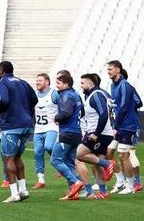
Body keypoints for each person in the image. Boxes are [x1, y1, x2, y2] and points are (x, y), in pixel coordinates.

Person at [0, 60, 37, 203]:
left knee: (8, 158)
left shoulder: (1, 83)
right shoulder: (23, 82)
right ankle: (23, 190)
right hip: (27, 124)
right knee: (17, 157)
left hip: (11, 124)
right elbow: (34, 99)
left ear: (1, 71)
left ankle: (14, 193)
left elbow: (3, 100)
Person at [77, 73, 117, 198]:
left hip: (100, 134)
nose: (81, 85)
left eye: (83, 83)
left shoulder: (96, 95)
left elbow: (104, 114)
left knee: (79, 154)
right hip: (101, 133)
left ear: (90, 83)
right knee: (96, 161)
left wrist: (96, 133)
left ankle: (107, 164)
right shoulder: (91, 96)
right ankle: (103, 192)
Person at [107, 60, 143, 194]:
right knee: (109, 152)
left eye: (110, 69)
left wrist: (117, 124)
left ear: (118, 70)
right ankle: (121, 180)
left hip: (127, 125)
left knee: (124, 154)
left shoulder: (125, 85)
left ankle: (131, 185)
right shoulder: (113, 85)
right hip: (119, 124)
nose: (108, 72)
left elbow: (125, 106)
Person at [51, 70, 86, 200]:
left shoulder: (66, 96)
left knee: (55, 160)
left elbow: (65, 113)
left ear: (66, 85)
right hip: (76, 133)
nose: (57, 85)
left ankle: (76, 183)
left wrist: (56, 117)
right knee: (69, 162)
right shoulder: (76, 95)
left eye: (58, 83)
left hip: (67, 133)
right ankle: (73, 192)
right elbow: (81, 112)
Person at [31, 73, 58, 189]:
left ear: (47, 82)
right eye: (36, 81)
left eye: (40, 81)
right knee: (37, 152)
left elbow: (63, 105)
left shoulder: (54, 94)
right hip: (38, 128)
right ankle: (40, 179)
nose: (37, 83)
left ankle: (59, 163)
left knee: (49, 147)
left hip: (52, 127)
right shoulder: (34, 95)